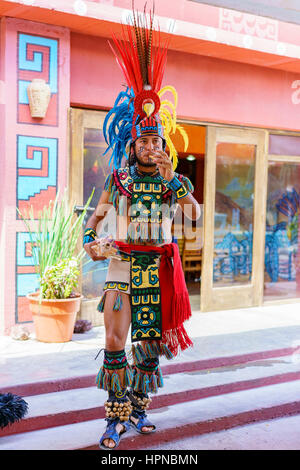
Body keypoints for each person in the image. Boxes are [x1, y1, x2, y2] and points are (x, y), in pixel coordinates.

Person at [83, 3, 201, 450]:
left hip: (157, 269)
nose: (151, 146)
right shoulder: (118, 179)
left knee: (147, 350)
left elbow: (193, 217)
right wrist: (91, 241)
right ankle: (112, 419)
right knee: (115, 339)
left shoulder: (175, 180)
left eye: (157, 139)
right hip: (121, 264)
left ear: (163, 144)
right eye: (144, 140)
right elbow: (97, 217)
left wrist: (175, 183)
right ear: (133, 144)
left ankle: (136, 408)